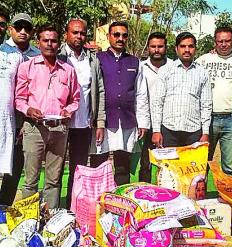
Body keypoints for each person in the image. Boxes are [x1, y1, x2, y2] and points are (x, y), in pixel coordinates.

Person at [15, 25, 80, 209]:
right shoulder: (27, 67)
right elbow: (19, 99)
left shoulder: (68, 70)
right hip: (34, 128)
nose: (50, 44)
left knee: (53, 180)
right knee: (30, 180)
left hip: (59, 129)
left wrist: (69, 110)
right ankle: (28, 220)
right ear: (39, 42)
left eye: (53, 40)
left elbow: (75, 98)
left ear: (59, 43)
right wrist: (29, 110)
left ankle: (49, 221)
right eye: (46, 40)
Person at [90, 21, 149, 185]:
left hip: (127, 121)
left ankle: (121, 203)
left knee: (122, 166)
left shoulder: (135, 62)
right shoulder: (97, 59)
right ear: (109, 36)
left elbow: (141, 93)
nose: (120, 38)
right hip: (103, 121)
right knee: (99, 163)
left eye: (124, 35)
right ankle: (98, 203)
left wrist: (142, 122)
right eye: (116, 34)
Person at [57, 19, 105, 209]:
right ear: (66, 33)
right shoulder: (58, 55)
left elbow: (99, 90)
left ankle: (71, 209)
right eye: (75, 32)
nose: (79, 37)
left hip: (83, 125)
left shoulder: (92, 59)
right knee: (56, 171)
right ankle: (52, 210)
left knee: (78, 171)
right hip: (60, 124)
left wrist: (99, 121)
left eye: (82, 33)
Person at [196, 26, 232, 176]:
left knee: (230, 168)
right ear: (215, 42)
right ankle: (199, 198)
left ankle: (228, 199)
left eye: (227, 41)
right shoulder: (203, 60)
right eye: (220, 41)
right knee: (200, 166)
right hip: (207, 119)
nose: (223, 44)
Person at [0, 13, 40, 206]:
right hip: (2, 118)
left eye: (27, 28)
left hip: (25, 121)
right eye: (18, 27)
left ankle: (4, 207)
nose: (23, 32)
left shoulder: (37, 55)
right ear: (11, 29)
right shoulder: (1, 52)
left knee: (15, 167)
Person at [151, 32, 212, 147]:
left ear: (195, 49)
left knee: (192, 165)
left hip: (194, 131)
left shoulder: (202, 72)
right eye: (183, 46)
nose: (187, 50)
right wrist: (156, 130)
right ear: (176, 49)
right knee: (168, 165)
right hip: (169, 130)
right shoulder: (166, 70)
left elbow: (206, 105)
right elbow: (157, 102)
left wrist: (205, 132)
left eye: (191, 46)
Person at [139, 32, 173, 182]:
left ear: (166, 47)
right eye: (153, 46)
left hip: (167, 123)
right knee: (145, 163)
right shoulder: (140, 68)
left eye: (160, 46)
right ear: (148, 48)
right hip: (146, 123)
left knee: (166, 164)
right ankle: (144, 195)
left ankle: (165, 197)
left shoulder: (174, 67)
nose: (157, 50)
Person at [0, 45, 23, 177]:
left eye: (2, 24)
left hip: (6, 121)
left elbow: (20, 91)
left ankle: (5, 199)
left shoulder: (15, 55)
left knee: (7, 168)